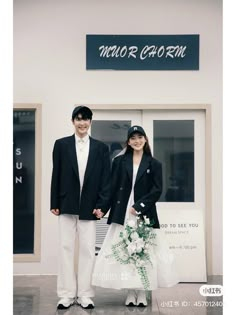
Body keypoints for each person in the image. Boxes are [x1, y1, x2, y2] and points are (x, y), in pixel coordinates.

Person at [92, 125, 179, 307]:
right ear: (128, 142)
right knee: (125, 253)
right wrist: (102, 208)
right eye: (133, 138)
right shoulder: (119, 162)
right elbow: (111, 188)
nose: (137, 140)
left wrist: (139, 206)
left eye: (140, 137)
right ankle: (130, 292)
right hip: (122, 213)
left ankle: (141, 292)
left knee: (143, 253)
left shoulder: (154, 164)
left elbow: (157, 190)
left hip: (143, 215)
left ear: (145, 140)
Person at [50, 106, 111, 310]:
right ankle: (66, 294)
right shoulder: (61, 145)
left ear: (90, 122)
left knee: (87, 250)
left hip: (90, 208)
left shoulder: (101, 148)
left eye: (86, 120)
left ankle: (85, 294)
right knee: (65, 249)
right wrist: (54, 203)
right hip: (66, 205)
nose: (82, 123)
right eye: (78, 119)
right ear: (72, 121)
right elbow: (56, 174)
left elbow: (106, 180)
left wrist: (102, 206)